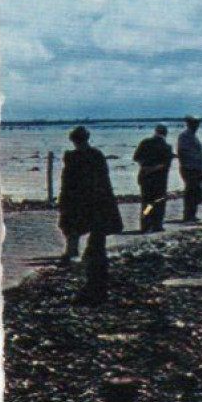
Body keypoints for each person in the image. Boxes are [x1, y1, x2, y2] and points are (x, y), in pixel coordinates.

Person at [57, 126, 124, 304]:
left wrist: (63, 201)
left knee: (73, 228)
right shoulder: (96, 155)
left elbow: (67, 183)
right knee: (95, 238)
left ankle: (73, 255)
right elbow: (104, 181)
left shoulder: (72, 158)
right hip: (97, 203)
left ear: (73, 140)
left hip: (79, 202)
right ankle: (91, 270)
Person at [132, 124, 174, 233]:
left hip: (145, 176)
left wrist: (145, 167)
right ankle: (157, 225)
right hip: (159, 179)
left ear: (155, 132)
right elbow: (165, 164)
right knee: (159, 202)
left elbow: (136, 158)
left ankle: (145, 225)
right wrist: (153, 168)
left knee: (147, 202)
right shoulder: (167, 146)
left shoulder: (145, 142)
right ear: (165, 133)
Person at [176, 115, 202, 222]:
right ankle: (188, 215)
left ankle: (191, 214)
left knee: (198, 190)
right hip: (189, 168)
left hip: (198, 167)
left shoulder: (193, 136)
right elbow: (181, 152)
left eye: (197, 124)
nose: (196, 126)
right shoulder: (184, 136)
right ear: (189, 124)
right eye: (194, 123)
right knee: (191, 191)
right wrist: (187, 164)